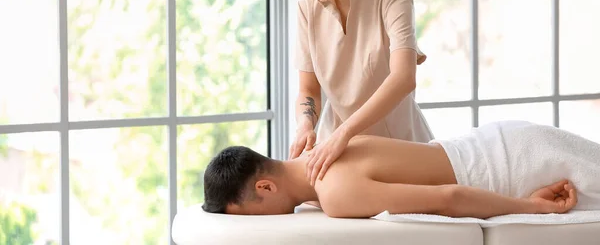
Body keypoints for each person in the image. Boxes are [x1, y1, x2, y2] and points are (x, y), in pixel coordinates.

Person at [271, 0, 433, 185]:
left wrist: (343, 134)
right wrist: (305, 124)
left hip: (401, 150)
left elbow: (403, 78)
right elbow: (309, 90)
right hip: (337, 156)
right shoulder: (307, 9)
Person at [201, 120, 600, 219]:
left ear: (266, 188)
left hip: (511, 169)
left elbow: (449, 198)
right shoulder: (322, 147)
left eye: (247, 214)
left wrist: (531, 207)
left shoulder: (335, 195)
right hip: (502, 139)